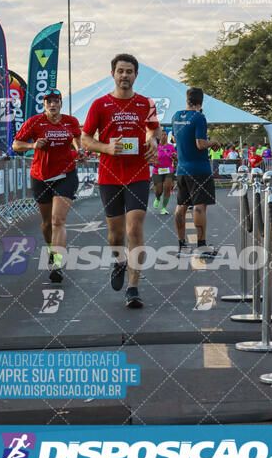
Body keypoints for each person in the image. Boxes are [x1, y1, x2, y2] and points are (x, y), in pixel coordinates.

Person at [81, 54, 160, 309]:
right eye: (120, 71)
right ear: (113, 74)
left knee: (134, 228)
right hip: (110, 176)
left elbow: (154, 128)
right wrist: (106, 148)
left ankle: (133, 287)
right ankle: (119, 261)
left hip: (138, 173)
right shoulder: (100, 105)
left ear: (136, 75)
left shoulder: (145, 103)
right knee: (115, 235)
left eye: (129, 71)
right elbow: (85, 139)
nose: (124, 75)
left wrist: (154, 140)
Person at [13, 88, 85, 283]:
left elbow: (77, 138)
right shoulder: (34, 122)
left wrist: (80, 150)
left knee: (57, 221)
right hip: (41, 175)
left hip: (65, 174)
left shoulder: (71, 121)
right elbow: (16, 145)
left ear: (61, 103)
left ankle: (56, 264)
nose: (53, 104)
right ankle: (52, 248)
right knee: (46, 224)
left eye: (56, 101)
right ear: (44, 104)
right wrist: (32, 146)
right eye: (49, 101)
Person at [172, 87, 220, 259]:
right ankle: (201, 246)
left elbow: (175, 139)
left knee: (181, 206)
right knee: (199, 206)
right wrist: (213, 141)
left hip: (182, 169)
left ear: (187, 100)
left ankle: (182, 246)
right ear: (201, 102)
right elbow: (200, 144)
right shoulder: (199, 117)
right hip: (199, 169)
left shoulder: (176, 116)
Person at [152, 128, 177, 214]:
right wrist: (154, 161)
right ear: (159, 136)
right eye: (162, 135)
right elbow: (150, 159)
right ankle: (158, 198)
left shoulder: (171, 147)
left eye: (165, 134)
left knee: (167, 188)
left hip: (168, 170)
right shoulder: (155, 147)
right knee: (159, 190)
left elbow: (176, 158)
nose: (164, 136)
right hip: (157, 171)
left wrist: (175, 156)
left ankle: (163, 208)